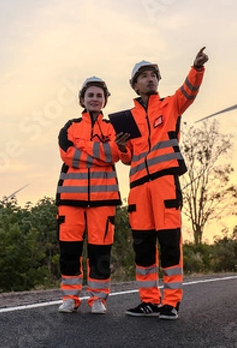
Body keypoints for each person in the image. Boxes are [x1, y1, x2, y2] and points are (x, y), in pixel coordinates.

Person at [115, 47, 209, 320]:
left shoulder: (171, 105)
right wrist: (121, 148)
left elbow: (189, 90)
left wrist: (197, 68)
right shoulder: (128, 119)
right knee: (143, 246)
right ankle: (148, 301)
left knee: (169, 244)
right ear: (135, 84)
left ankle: (171, 302)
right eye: (144, 76)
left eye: (153, 75)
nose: (150, 79)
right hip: (139, 189)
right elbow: (128, 157)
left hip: (165, 183)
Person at [55, 76, 122, 315]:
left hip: (103, 201)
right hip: (70, 200)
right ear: (82, 99)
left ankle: (98, 299)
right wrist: (99, 156)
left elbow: (115, 153)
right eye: (90, 95)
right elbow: (66, 153)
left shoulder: (113, 126)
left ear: (105, 100)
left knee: (100, 253)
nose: (94, 99)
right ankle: (70, 297)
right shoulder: (70, 126)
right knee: (69, 251)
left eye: (99, 95)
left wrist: (83, 147)